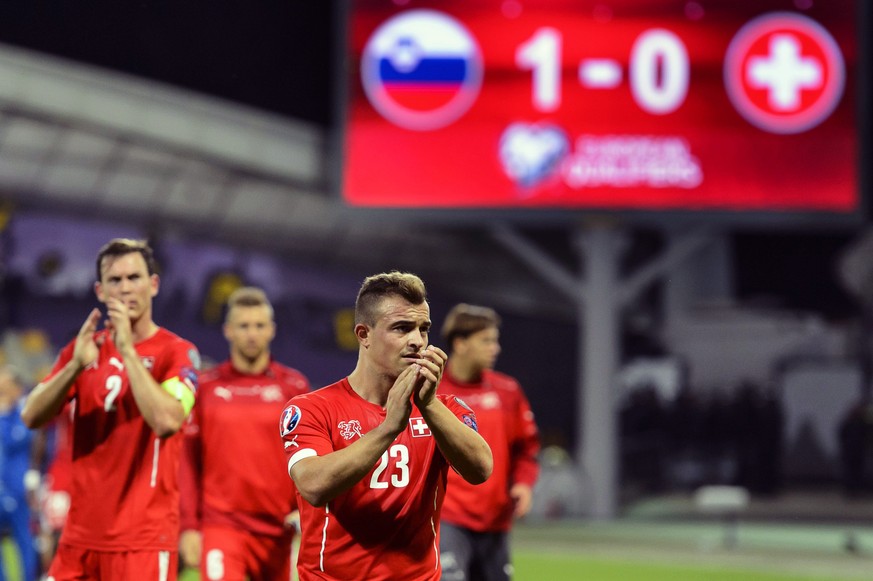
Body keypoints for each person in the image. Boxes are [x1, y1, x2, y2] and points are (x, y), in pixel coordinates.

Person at [279, 271, 493, 581]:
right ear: (363, 334)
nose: (417, 341)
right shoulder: (312, 408)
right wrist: (387, 428)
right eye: (402, 328)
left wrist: (429, 405)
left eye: (424, 329)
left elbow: (480, 469)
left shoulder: (444, 409)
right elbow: (313, 486)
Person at [21, 238, 200, 581]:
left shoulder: (178, 353)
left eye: (134, 278)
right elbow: (31, 416)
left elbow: (168, 419)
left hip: (141, 541)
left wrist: (128, 353)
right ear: (100, 292)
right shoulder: (83, 350)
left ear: (154, 284)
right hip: (79, 538)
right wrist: (74, 366)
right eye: (114, 281)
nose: (125, 288)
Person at [178, 286, 310, 581]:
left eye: (259, 325)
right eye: (244, 326)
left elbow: (310, 457)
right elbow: (187, 462)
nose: (252, 333)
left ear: (271, 330)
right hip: (222, 528)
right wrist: (188, 526)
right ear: (228, 330)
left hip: (281, 530)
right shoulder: (206, 388)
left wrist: (307, 510)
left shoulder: (294, 387)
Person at [437, 304, 540, 581]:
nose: (495, 348)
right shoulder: (431, 392)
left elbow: (526, 449)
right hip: (446, 517)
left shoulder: (508, 391)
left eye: (495, 340)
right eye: (486, 341)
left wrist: (523, 484)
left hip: (496, 521)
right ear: (460, 343)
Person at [0, 365, 39, 581]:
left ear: (17, 389)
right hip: (1, 486)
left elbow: (21, 439)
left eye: (5, 389)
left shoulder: (24, 412)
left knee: (24, 540)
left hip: (19, 488)